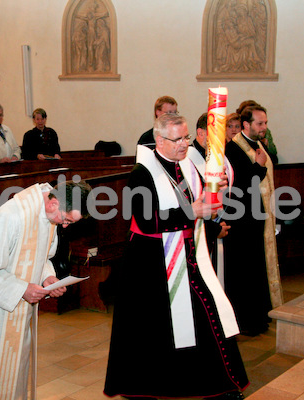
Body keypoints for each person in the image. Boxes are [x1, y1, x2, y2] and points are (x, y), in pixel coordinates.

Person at [104, 113, 247, 399]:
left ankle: (218, 385)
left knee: (200, 317)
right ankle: (145, 387)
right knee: (151, 332)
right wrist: (193, 212)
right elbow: (146, 221)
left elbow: (196, 206)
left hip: (185, 253)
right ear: (159, 140)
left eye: (186, 137)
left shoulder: (183, 167)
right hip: (150, 264)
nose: (185, 144)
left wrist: (210, 217)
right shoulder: (142, 174)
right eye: (177, 139)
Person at [0, 180, 91, 399]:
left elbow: (41, 256)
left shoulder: (47, 216)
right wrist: (21, 289)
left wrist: (48, 277)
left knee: (13, 374)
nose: (65, 226)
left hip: (16, 316)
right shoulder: (12, 216)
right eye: (66, 219)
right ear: (53, 203)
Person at [224, 105, 283, 336]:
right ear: (246, 125)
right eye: (260, 123)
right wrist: (257, 168)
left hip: (259, 217)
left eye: (266, 123)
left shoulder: (258, 144)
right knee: (244, 273)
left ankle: (260, 316)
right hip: (241, 221)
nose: (264, 128)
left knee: (257, 270)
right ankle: (246, 321)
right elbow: (237, 186)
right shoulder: (233, 149)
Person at [187, 112, 234, 286]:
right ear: (201, 133)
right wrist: (214, 228)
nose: (222, 138)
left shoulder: (221, 158)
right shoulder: (189, 159)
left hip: (220, 227)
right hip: (202, 231)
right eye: (217, 133)